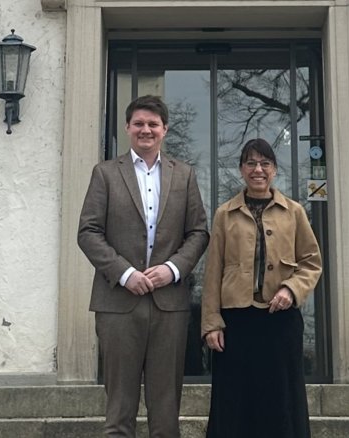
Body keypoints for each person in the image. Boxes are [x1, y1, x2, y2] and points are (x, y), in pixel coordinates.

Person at [78, 95, 210, 438]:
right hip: (117, 304)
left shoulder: (184, 175)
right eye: (139, 123)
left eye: (153, 124)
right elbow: (88, 232)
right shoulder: (105, 173)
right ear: (127, 128)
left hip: (170, 305)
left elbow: (198, 232)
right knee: (118, 409)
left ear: (165, 130)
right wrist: (124, 274)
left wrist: (173, 269)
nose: (146, 130)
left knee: (166, 410)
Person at [201, 138, 323, 438]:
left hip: (279, 321)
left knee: (280, 401)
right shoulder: (224, 214)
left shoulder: (293, 212)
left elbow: (311, 262)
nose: (258, 169)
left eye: (265, 163)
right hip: (236, 323)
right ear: (242, 169)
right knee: (234, 402)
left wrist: (291, 290)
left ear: (274, 170)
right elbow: (212, 271)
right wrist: (211, 323)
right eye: (251, 163)